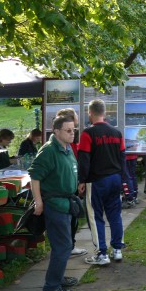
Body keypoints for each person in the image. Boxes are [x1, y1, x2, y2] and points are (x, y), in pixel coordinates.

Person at [29, 115, 79, 291]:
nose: (72, 133)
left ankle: (57, 277)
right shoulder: (49, 150)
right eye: (68, 130)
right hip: (55, 204)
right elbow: (35, 176)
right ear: (56, 131)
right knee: (63, 246)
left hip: (66, 203)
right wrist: (38, 201)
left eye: (73, 130)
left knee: (64, 245)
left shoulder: (66, 147)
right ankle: (51, 287)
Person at [78, 100, 126, 265]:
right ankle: (117, 249)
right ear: (105, 114)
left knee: (95, 216)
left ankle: (101, 253)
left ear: (90, 113)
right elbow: (122, 157)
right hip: (115, 179)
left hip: (96, 180)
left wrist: (81, 180)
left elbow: (83, 158)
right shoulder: (117, 133)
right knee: (115, 214)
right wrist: (123, 179)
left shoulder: (87, 134)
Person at [55, 108, 87, 258]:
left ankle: (68, 245)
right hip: (65, 188)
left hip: (69, 185)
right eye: (76, 117)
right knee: (70, 217)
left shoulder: (68, 140)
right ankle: (69, 246)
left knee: (71, 217)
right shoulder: (64, 143)